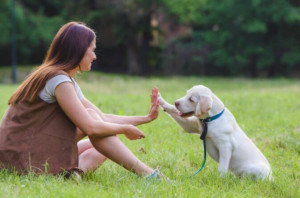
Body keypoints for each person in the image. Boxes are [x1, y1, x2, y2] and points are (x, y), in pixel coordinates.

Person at [0, 21, 161, 178]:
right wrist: (125, 128)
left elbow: (102, 118)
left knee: (103, 147)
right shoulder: (57, 79)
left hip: (28, 149)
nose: (95, 56)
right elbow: (90, 126)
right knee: (97, 126)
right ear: (78, 51)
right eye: (92, 50)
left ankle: (69, 176)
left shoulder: (63, 78)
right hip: (19, 157)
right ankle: (149, 175)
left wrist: (146, 118)